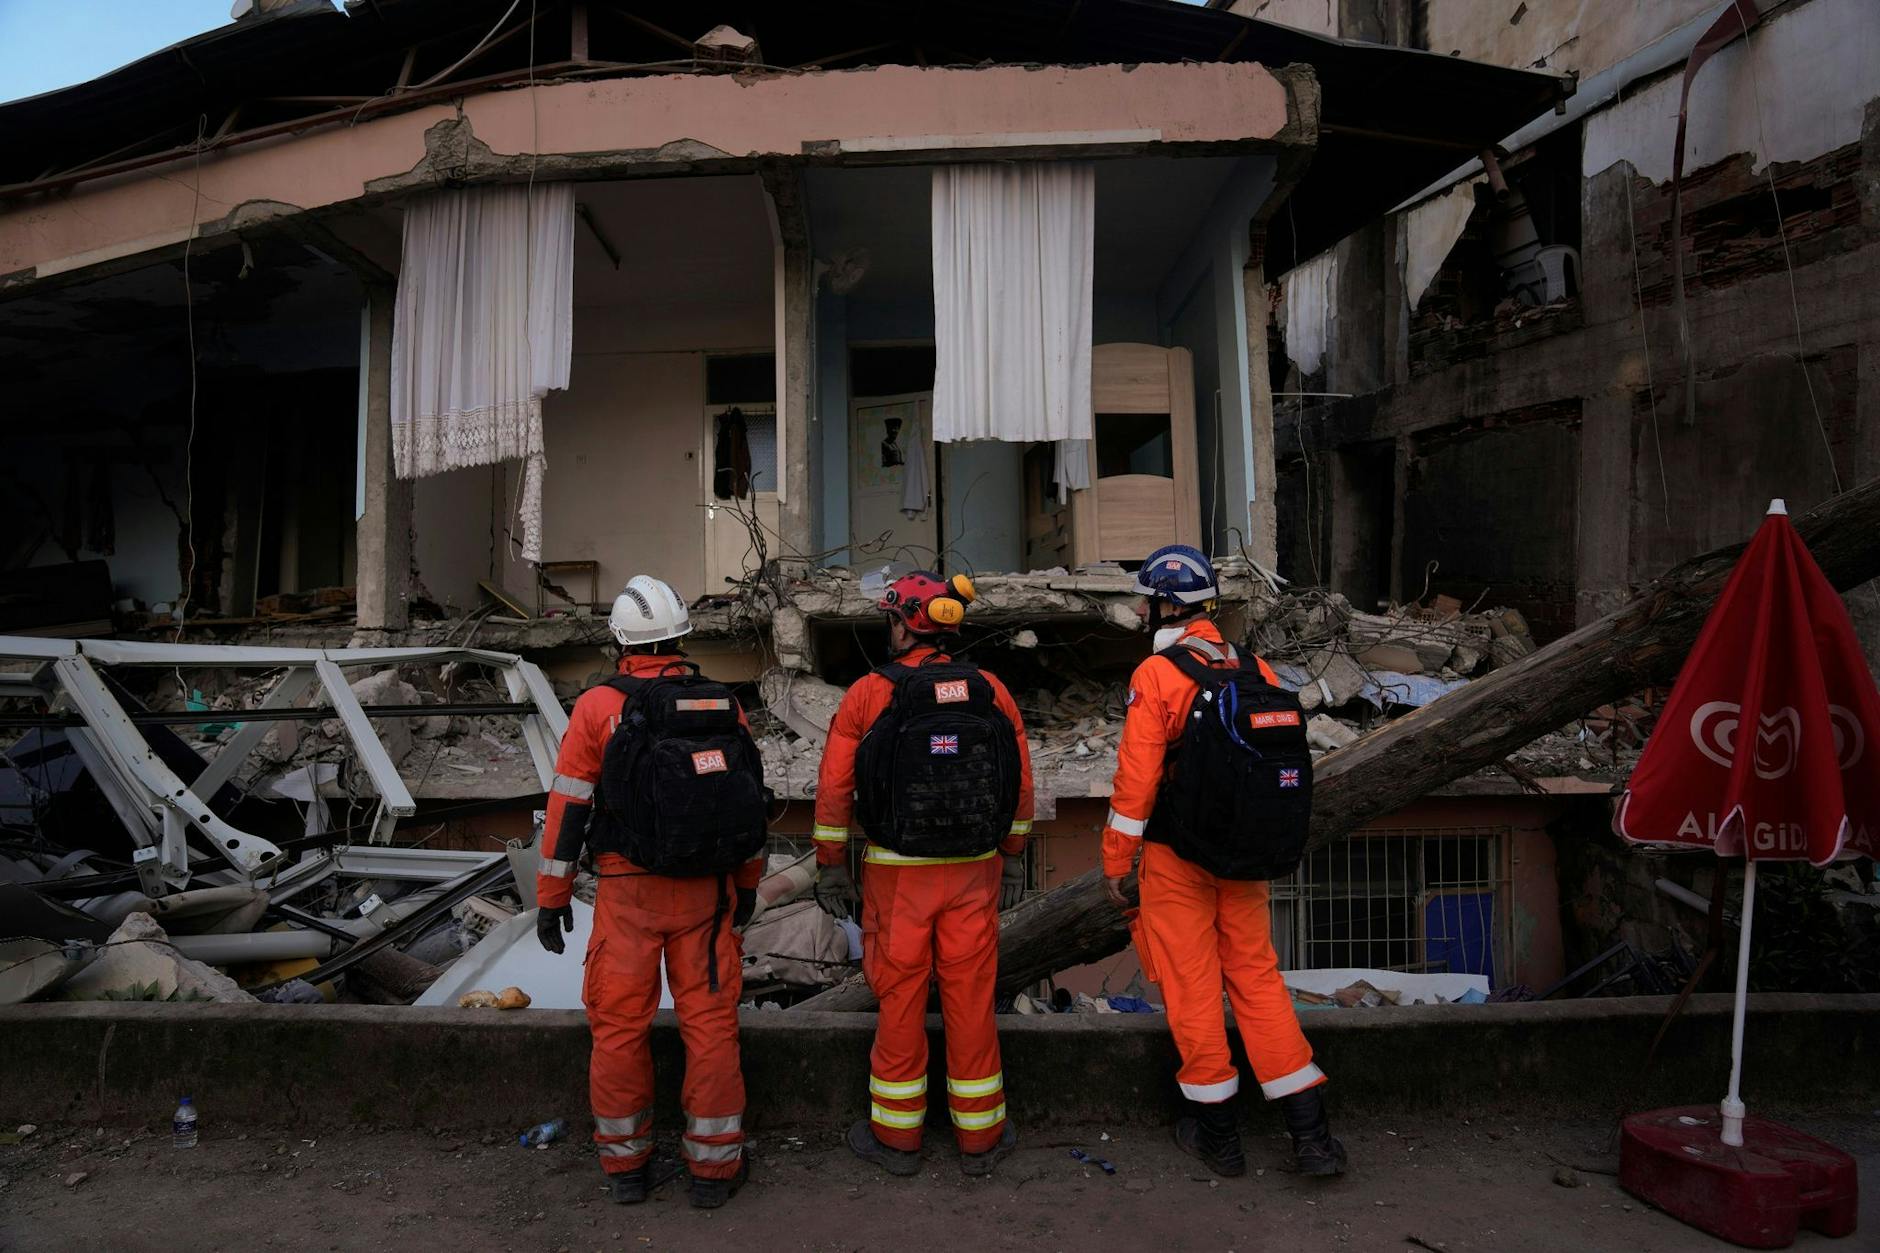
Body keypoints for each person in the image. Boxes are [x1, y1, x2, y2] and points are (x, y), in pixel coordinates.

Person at [1101, 545, 1346, 1178]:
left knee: (1193, 989)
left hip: (1176, 857)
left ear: (1165, 605)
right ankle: (1312, 1136)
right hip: (1244, 856)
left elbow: (1135, 784)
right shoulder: (1252, 665)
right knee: (1258, 981)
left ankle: (1220, 1139)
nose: (1142, 612)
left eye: (1147, 602)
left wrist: (1116, 862)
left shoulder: (1156, 675)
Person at [535, 575, 768, 1208]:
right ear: (681, 638)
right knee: (711, 1027)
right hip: (707, 893)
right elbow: (747, 803)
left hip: (628, 893)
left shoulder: (597, 707)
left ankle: (626, 1167)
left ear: (621, 640)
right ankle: (714, 1171)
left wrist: (553, 899)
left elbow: (568, 810)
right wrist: (746, 885)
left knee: (618, 1028)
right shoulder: (723, 704)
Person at [810, 571, 1034, 1177]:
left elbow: (834, 789)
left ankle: (897, 1138)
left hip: (897, 876)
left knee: (901, 999)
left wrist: (831, 866)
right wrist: (1014, 852)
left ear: (903, 623)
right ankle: (980, 1138)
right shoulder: (990, 689)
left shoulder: (868, 694)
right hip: (975, 872)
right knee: (971, 999)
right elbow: (1019, 779)